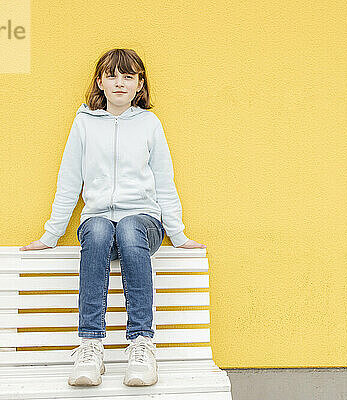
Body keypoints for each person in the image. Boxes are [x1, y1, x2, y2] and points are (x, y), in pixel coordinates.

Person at [19, 48, 206, 387]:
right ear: (100, 82)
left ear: (139, 84)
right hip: (100, 226)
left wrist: (178, 234)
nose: (120, 83)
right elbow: (69, 180)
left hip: (143, 225)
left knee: (133, 226)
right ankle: (90, 346)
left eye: (128, 76)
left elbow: (164, 181)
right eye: (113, 76)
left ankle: (141, 344)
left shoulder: (149, 124)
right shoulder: (84, 123)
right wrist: (50, 235)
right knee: (100, 229)